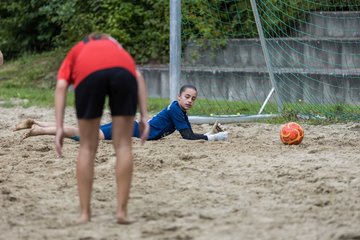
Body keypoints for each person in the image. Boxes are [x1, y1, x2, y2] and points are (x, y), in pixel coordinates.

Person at [54, 33, 149, 225]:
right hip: (124, 74)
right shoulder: (118, 48)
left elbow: (62, 85)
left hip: (89, 75)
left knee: (87, 147)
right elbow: (138, 77)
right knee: (123, 146)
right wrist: (144, 117)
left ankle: (84, 214)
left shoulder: (77, 49)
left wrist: (59, 127)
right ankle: (121, 212)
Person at [14, 85, 228, 141]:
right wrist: (214, 137)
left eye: (193, 98)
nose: (190, 100)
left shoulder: (177, 110)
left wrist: (210, 132)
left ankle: (37, 123)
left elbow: (189, 131)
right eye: (187, 97)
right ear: (179, 97)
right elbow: (188, 136)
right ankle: (39, 131)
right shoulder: (175, 109)